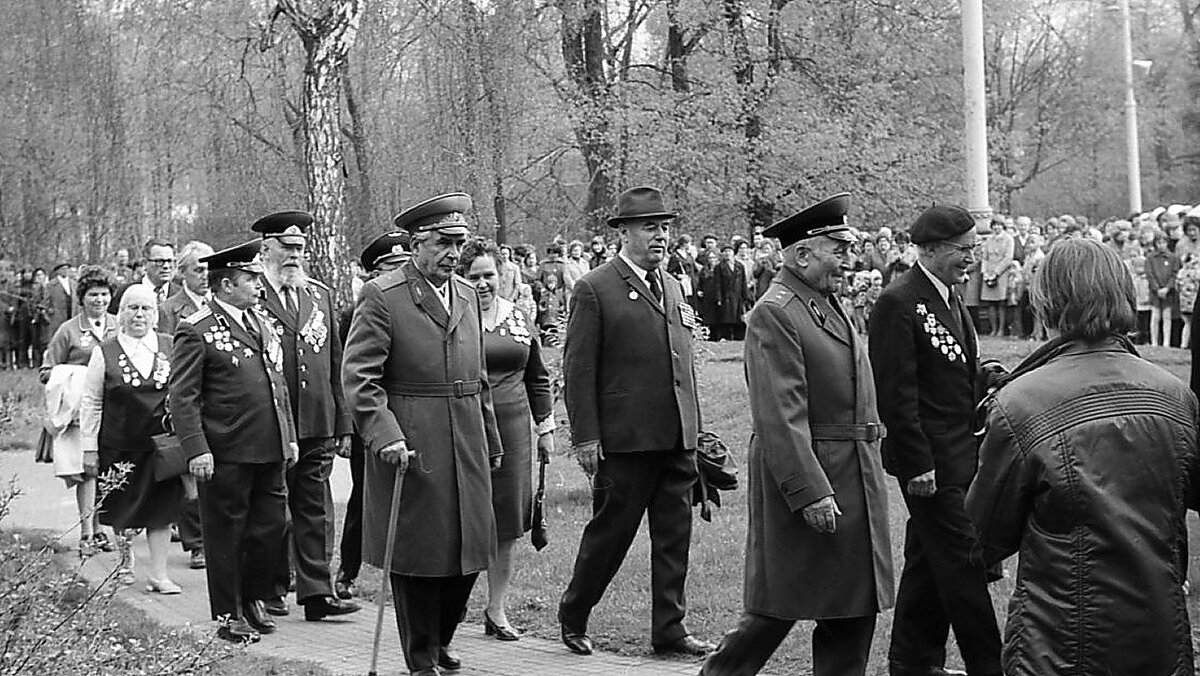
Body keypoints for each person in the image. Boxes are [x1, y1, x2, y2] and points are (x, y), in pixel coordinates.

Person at [969, 238, 1200, 675]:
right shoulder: (1176, 395)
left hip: (1059, 642)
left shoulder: (1020, 402)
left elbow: (985, 536)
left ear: (1047, 300)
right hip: (1156, 633)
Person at [701, 194, 893, 676]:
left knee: (852, 606)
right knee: (778, 605)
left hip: (853, 471)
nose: (847, 261)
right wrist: (810, 492)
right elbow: (779, 414)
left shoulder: (821, 301)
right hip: (816, 474)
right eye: (838, 249)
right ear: (803, 253)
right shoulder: (778, 311)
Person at [342, 193, 503, 676]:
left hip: (467, 433)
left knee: (471, 546)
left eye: (461, 243)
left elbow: (480, 375)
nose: (455, 253)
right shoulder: (383, 295)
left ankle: (443, 638)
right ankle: (420, 656)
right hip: (412, 436)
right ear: (418, 244)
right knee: (419, 552)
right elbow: (359, 378)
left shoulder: (469, 295)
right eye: (445, 243)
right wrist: (384, 434)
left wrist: (491, 438)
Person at [557, 185, 713, 658]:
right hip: (625, 441)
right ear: (624, 232)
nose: (660, 236)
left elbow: (680, 361)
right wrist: (586, 437)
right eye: (650, 227)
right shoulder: (594, 287)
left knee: (674, 539)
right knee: (610, 536)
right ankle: (574, 613)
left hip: (674, 437)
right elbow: (578, 368)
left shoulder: (670, 284)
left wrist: (695, 428)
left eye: (665, 228)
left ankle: (670, 628)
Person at [868, 205, 1001, 676]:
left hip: (960, 455)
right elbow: (897, 394)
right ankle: (991, 665)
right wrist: (916, 462)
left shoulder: (950, 297)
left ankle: (912, 661)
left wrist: (987, 375)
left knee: (929, 561)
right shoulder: (898, 302)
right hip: (929, 464)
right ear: (929, 250)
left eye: (974, 248)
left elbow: (951, 372)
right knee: (965, 564)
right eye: (964, 250)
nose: (972, 258)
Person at [170, 240, 298, 643]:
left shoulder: (259, 322)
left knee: (270, 527)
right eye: (250, 279)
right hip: (225, 450)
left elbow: (278, 385)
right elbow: (182, 395)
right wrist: (196, 448)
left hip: (268, 445)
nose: (258, 286)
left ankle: (254, 596)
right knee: (227, 531)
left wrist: (289, 437)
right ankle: (229, 612)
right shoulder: (197, 329)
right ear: (226, 285)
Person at [252, 211, 360, 622]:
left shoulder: (319, 295)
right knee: (272, 509)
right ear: (267, 250)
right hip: (273, 422)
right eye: (286, 248)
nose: (294, 256)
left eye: (300, 249)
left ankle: (317, 592)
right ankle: (271, 586)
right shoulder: (253, 295)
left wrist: (342, 422)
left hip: (316, 419)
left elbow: (336, 362)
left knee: (313, 507)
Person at [460, 238, 555, 642]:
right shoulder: (455, 320)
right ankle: (453, 602)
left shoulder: (518, 318)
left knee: (506, 525)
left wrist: (545, 427)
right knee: (465, 519)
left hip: (514, 431)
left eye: (489, 275)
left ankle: (496, 609)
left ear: (502, 275)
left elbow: (537, 376)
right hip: (468, 431)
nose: (483, 284)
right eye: (474, 276)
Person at [79, 285, 183, 593]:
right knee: (123, 508)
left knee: (162, 510)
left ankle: (160, 574)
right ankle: (125, 564)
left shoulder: (169, 346)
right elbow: (91, 400)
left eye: (145, 309)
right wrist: (88, 448)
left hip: (161, 447)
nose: (139, 315)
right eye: (132, 308)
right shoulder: (105, 351)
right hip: (119, 444)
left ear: (155, 314)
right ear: (121, 314)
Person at [334, 231, 412, 601]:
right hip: (370, 421)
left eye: (401, 265)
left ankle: (404, 574)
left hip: (412, 417)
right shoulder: (357, 312)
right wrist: (349, 429)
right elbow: (351, 372)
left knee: (411, 500)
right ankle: (347, 571)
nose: (396, 273)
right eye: (388, 268)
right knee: (364, 498)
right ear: (373, 273)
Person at [41, 266, 120, 557]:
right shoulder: (69, 330)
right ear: (82, 298)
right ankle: (87, 532)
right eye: (92, 295)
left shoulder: (117, 325)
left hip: (111, 410)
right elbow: (46, 370)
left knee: (105, 469)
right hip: (78, 413)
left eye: (103, 294)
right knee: (86, 471)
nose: (98, 300)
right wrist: (74, 376)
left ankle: (100, 528)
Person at [157, 240, 213, 571]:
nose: (205, 275)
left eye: (209, 268)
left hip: (218, 399)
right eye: (197, 269)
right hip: (186, 397)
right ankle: (196, 544)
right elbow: (164, 356)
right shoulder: (169, 311)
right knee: (190, 475)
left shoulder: (220, 301)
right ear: (182, 274)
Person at [979, 218, 1014, 336]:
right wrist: (985, 273)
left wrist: (996, 272)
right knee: (990, 303)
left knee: (1001, 302)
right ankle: (993, 329)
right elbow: (985, 257)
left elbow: (1008, 258)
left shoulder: (1008, 239)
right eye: (994, 225)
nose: (996, 228)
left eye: (999, 225)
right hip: (989, 273)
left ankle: (1001, 329)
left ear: (1003, 226)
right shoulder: (989, 240)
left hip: (1002, 274)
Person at [1146, 232, 1181, 347]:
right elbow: (1149, 274)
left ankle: (1166, 342)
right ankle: (1154, 342)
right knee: (1155, 316)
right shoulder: (1150, 257)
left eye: (1163, 242)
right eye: (1159, 242)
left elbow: (1174, 274)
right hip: (1154, 292)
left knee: (1167, 316)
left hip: (1168, 292)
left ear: (1167, 243)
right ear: (1155, 244)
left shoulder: (1173, 257)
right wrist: (1157, 289)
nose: (1161, 245)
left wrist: (1167, 288)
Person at [47, 263, 76, 332]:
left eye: (67, 268)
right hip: (57, 318)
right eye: (63, 269)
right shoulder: (51, 285)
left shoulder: (74, 284)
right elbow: (46, 302)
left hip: (72, 315)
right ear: (57, 271)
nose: (65, 271)